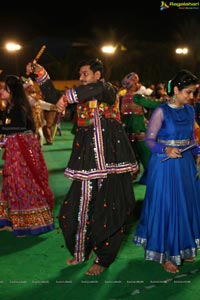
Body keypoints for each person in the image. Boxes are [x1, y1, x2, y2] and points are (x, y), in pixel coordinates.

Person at [26, 58, 139, 275]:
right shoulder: (82, 94)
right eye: (80, 74)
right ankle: (80, 251)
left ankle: (103, 259)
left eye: (85, 73)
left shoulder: (107, 89)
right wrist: (41, 75)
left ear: (97, 75)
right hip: (86, 163)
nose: (81, 78)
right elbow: (55, 97)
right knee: (73, 210)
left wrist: (66, 98)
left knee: (109, 212)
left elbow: (83, 92)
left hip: (111, 164)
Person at [133, 69, 200, 273]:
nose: (192, 97)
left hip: (185, 165)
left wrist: (198, 151)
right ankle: (165, 254)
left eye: (194, 92)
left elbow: (191, 140)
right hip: (164, 164)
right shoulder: (161, 111)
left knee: (185, 206)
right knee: (167, 206)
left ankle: (184, 248)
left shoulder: (189, 111)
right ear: (176, 89)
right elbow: (150, 140)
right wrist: (166, 149)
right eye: (188, 92)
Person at [0, 75, 54, 237]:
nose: (1, 91)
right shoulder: (10, 106)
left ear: (12, 91)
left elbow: (19, 127)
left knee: (22, 183)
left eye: (4, 89)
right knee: (11, 182)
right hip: (14, 149)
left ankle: (27, 224)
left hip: (22, 151)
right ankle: (12, 221)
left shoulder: (19, 107)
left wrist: (2, 130)